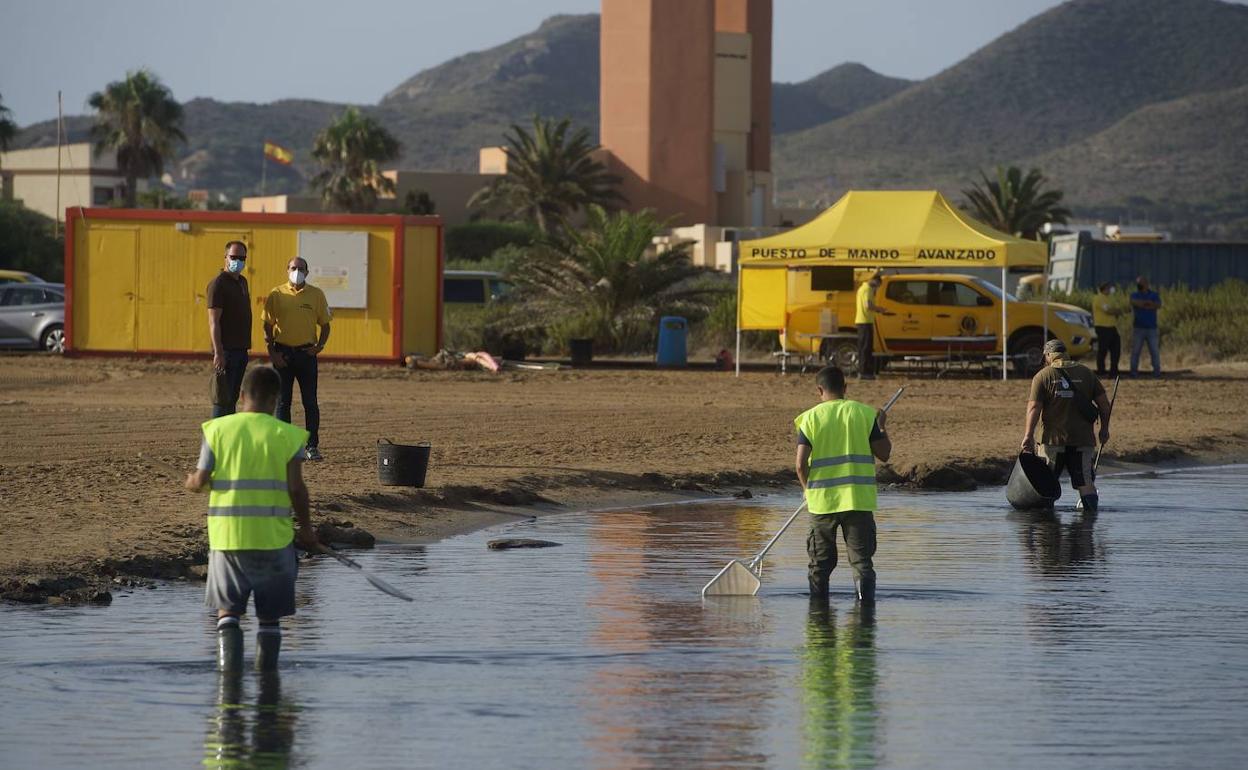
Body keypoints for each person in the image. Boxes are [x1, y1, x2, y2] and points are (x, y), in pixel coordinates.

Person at [186, 366, 319, 673]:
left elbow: (200, 480)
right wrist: (308, 531)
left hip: (228, 541)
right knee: (269, 620)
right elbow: (297, 490)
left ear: (242, 396)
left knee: (228, 613)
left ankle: (228, 690)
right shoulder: (288, 435)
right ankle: (268, 687)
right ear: (276, 399)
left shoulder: (217, 430)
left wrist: (191, 481)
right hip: (274, 541)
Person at [795, 365, 892, 603]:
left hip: (821, 503)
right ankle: (865, 614)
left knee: (819, 564)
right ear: (845, 388)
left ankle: (818, 613)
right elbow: (885, 454)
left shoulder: (810, 418)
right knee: (862, 563)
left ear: (820, 389)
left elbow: (799, 464)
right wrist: (881, 426)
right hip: (858, 501)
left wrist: (807, 490)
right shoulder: (865, 414)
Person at [1020, 339, 1112, 513]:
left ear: (1048, 355)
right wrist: (1104, 429)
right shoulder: (1086, 373)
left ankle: (1046, 526)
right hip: (1083, 440)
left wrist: (1028, 435)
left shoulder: (1043, 376)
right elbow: (1104, 405)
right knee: (1085, 482)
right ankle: (1089, 524)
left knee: (1046, 483)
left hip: (1052, 441)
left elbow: (1034, 407)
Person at [263, 257, 332, 461]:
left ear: (307, 272)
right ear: (287, 270)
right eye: (294, 268)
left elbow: (326, 324)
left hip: (306, 355)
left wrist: (319, 346)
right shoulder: (276, 294)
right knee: (283, 402)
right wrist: (272, 353)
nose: (297, 271)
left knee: (310, 402)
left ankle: (312, 446)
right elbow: (266, 324)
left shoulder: (316, 295)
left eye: (301, 269)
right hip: (282, 354)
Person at [207, 240, 252, 417]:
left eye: (242, 258)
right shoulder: (218, 284)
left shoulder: (242, 282)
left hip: (241, 349)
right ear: (225, 257)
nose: (238, 261)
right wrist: (218, 352)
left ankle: (227, 439)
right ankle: (214, 443)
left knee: (232, 399)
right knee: (221, 398)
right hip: (226, 351)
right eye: (234, 257)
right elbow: (214, 322)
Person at [853, 273, 893, 380]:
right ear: (875, 281)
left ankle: (863, 371)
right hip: (865, 321)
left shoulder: (861, 288)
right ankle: (865, 372)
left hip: (862, 321)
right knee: (866, 347)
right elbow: (868, 306)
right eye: (878, 285)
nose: (877, 287)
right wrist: (880, 309)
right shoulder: (868, 289)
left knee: (863, 347)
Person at [1129, 275, 1162, 378]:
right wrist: (1148, 304)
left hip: (1152, 328)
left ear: (1146, 284)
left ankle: (1156, 372)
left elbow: (1158, 305)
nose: (1139, 285)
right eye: (1138, 283)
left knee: (1154, 351)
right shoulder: (1134, 294)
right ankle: (1134, 372)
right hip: (1138, 328)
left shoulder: (1154, 294)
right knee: (1136, 351)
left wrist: (1145, 304)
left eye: (1140, 283)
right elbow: (1134, 303)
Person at [1092, 282, 1123, 377]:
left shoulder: (1110, 298)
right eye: (1109, 288)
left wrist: (1117, 311)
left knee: (1116, 349)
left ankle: (1114, 371)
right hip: (1102, 327)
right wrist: (1118, 311)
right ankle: (1101, 371)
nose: (1111, 290)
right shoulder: (1098, 298)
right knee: (1103, 350)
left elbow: (1114, 310)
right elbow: (1108, 310)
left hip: (1112, 327)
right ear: (1104, 288)